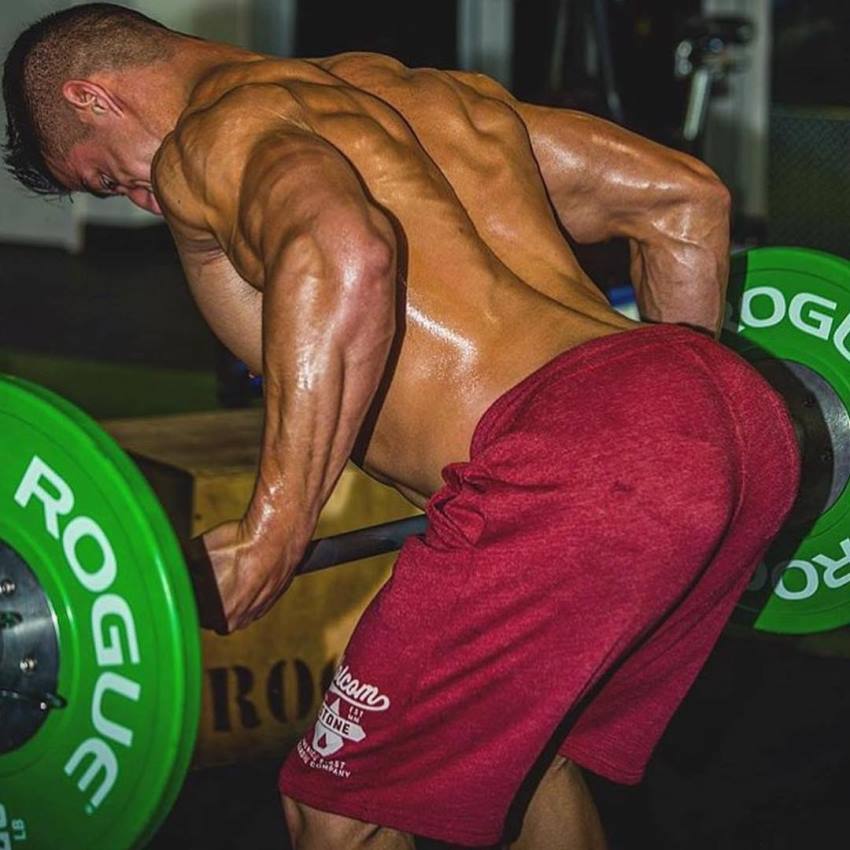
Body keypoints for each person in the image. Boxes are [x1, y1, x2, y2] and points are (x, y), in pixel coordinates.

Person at [3, 5, 800, 848]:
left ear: (94, 97)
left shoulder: (215, 133)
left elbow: (346, 253)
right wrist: (677, 434)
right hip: (741, 419)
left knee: (340, 810)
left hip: (568, 462)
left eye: (108, 179)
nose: (140, 200)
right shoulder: (427, 99)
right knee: (529, 758)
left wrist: (276, 528)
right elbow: (686, 201)